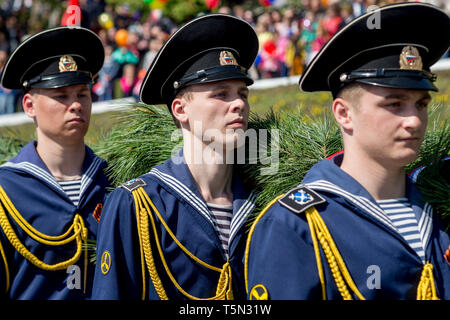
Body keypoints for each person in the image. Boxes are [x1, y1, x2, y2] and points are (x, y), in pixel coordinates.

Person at [245, 2, 450, 300]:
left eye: (421, 104)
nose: (414, 120)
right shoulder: (295, 223)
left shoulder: (436, 199)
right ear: (343, 114)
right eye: (394, 104)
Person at [92, 14, 259, 300]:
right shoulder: (138, 205)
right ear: (180, 109)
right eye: (221, 94)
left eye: (242, 93)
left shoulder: (263, 200)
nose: (238, 105)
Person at [0, 26, 110, 299]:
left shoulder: (114, 181)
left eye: (82, 94)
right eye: (61, 96)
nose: (75, 105)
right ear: (29, 105)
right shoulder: (6, 191)